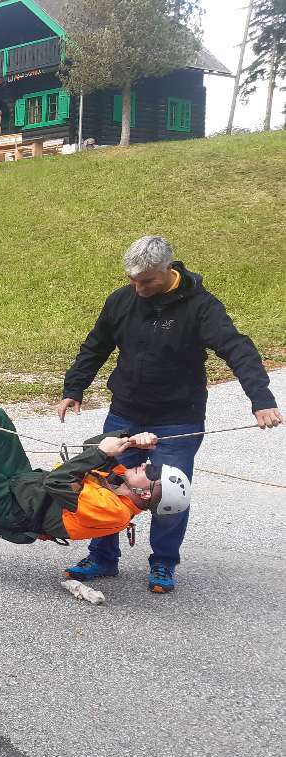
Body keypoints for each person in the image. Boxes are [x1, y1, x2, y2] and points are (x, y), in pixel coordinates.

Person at [57, 235, 281, 592]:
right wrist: (74, 388)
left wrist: (261, 398)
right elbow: (96, 345)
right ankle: (102, 556)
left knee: (169, 493)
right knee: (108, 482)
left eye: (145, 280)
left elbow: (237, 347)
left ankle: (163, 563)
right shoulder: (121, 300)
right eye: (132, 280)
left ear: (168, 270)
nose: (137, 287)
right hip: (125, 411)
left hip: (179, 415)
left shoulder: (200, 307)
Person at [0, 355, 191, 548]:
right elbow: (88, 449)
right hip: (23, 483)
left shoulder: (114, 512)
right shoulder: (121, 481)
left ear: (148, 496)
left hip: (8, 507)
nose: (147, 466)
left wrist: (101, 455)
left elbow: (59, 483)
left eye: (152, 473)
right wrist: (128, 439)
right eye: (152, 465)